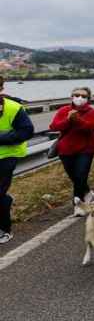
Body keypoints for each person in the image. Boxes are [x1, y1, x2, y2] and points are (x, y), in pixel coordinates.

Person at [49, 87, 94, 216]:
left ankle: (78, 204)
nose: (79, 98)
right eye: (77, 95)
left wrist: (77, 120)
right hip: (66, 150)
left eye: (83, 96)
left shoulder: (92, 112)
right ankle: (87, 192)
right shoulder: (64, 110)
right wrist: (68, 120)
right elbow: (54, 126)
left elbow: (91, 128)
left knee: (80, 175)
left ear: (88, 98)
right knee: (75, 177)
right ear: (71, 96)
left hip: (86, 149)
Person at [0, 81, 34, 244]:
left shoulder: (13, 108)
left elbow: (27, 131)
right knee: (1, 196)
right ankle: (6, 201)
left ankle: (4, 230)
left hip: (8, 155)